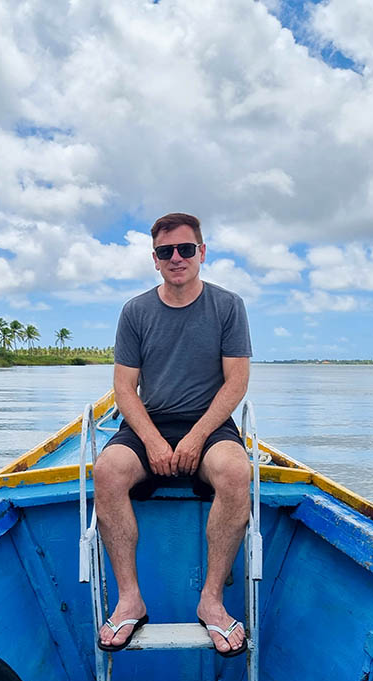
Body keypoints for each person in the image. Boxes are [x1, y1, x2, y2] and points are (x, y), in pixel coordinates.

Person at [92, 212, 253, 656]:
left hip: (210, 424)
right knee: (107, 471)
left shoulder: (227, 306)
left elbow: (235, 383)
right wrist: (154, 441)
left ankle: (212, 601)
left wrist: (196, 438)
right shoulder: (136, 311)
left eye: (185, 249)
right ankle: (129, 599)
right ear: (155, 260)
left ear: (202, 252)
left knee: (237, 473)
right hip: (149, 425)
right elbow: (124, 388)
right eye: (166, 252)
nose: (177, 258)